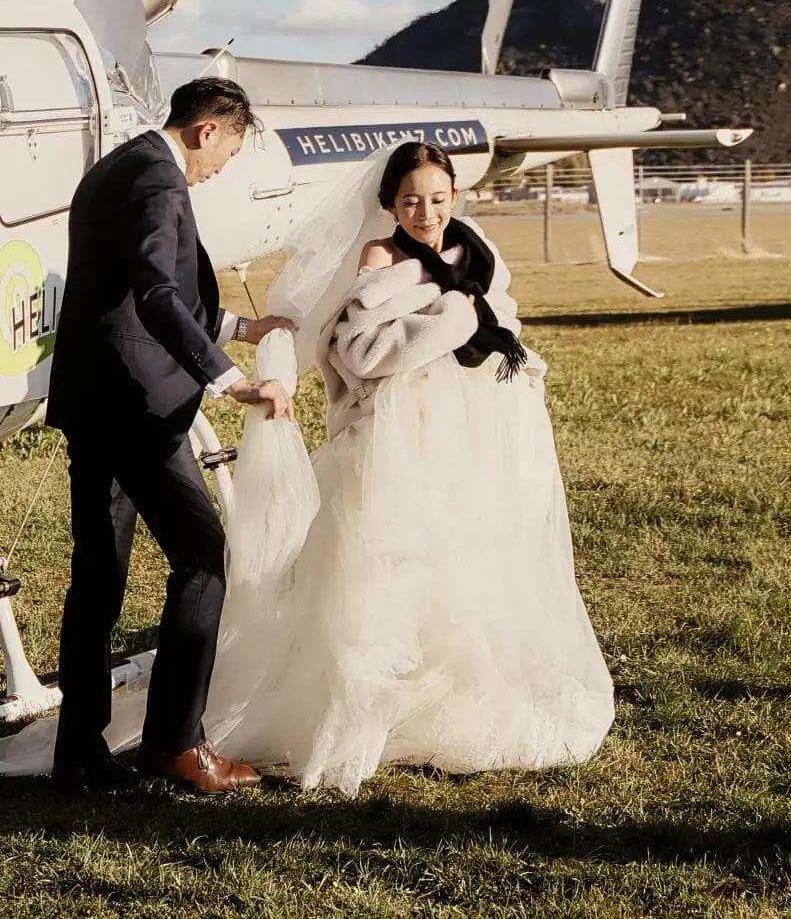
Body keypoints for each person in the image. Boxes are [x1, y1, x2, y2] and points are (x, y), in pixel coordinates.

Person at [194, 141, 613, 795]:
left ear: (454, 197)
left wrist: (504, 346)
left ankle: (451, 695)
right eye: (412, 201)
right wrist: (452, 317)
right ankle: (359, 715)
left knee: (460, 559)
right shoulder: (379, 258)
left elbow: (501, 318)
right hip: (394, 440)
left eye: (438, 200)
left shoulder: (473, 249)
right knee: (382, 569)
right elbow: (361, 351)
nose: (426, 213)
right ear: (391, 203)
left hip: (463, 434)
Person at [42, 76, 295, 795]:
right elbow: (155, 293)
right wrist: (229, 377)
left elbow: (136, 289)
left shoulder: (117, 167)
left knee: (98, 579)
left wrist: (244, 326)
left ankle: (81, 754)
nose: (222, 168)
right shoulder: (159, 177)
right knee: (204, 556)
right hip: (137, 410)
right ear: (209, 128)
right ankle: (175, 744)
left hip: (95, 402)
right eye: (231, 150)